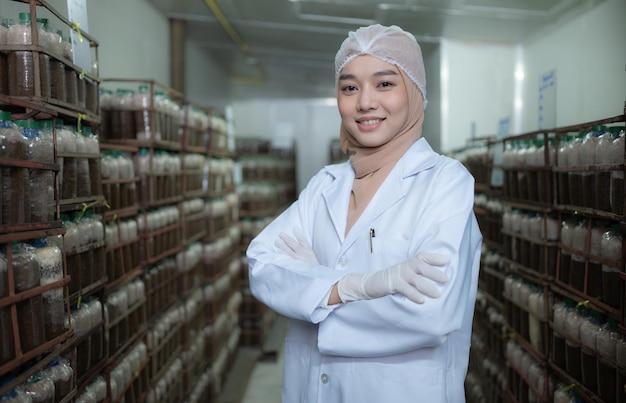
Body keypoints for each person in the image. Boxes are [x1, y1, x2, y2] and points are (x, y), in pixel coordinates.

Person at [246, 24, 482, 403]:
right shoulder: (326, 185)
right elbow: (261, 264)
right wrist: (351, 286)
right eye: (349, 87)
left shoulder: (444, 183)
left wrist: (310, 295)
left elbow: (430, 315)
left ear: (415, 92)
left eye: (385, 84)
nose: (364, 103)